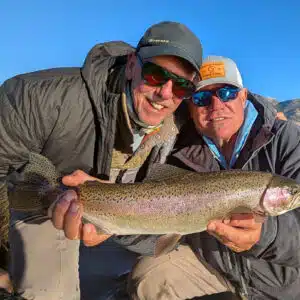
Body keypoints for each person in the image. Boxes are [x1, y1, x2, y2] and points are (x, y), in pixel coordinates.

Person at [0, 21, 203, 299]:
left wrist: (115, 227)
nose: (166, 94)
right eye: (155, 74)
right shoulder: (39, 98)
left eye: (181, 86)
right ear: (132, 64)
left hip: (116, 222)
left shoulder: (185, 128)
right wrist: (6, 251)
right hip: (46, 208)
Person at [128, 55, 300, 299]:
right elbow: (156, 221)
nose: (216, 105)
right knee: (151, 274)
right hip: (216, 271)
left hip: (283, 286)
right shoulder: (179, 150)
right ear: (190, 106)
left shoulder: (289, 140)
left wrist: (266, 236)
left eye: (227, 93)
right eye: (201, 98)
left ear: (243, 95)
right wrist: (109, 221)